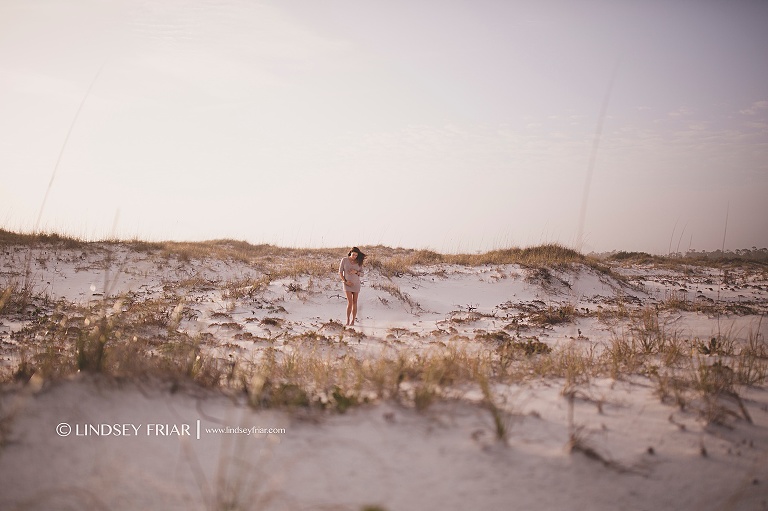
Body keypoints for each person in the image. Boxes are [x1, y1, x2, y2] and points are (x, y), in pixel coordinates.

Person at [339, 247, 366, 326]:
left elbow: (362, 274)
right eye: (353, 254)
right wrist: (345, 281)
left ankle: (353, 320)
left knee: (355, 302)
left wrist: (356, 272)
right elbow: (340, 272)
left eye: (356, 255)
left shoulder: (359, 262)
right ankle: (347, 320)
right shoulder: (344, 260)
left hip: (356, 284)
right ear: (350, 253)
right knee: (350, 302)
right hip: (347, 284)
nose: (354, 256)